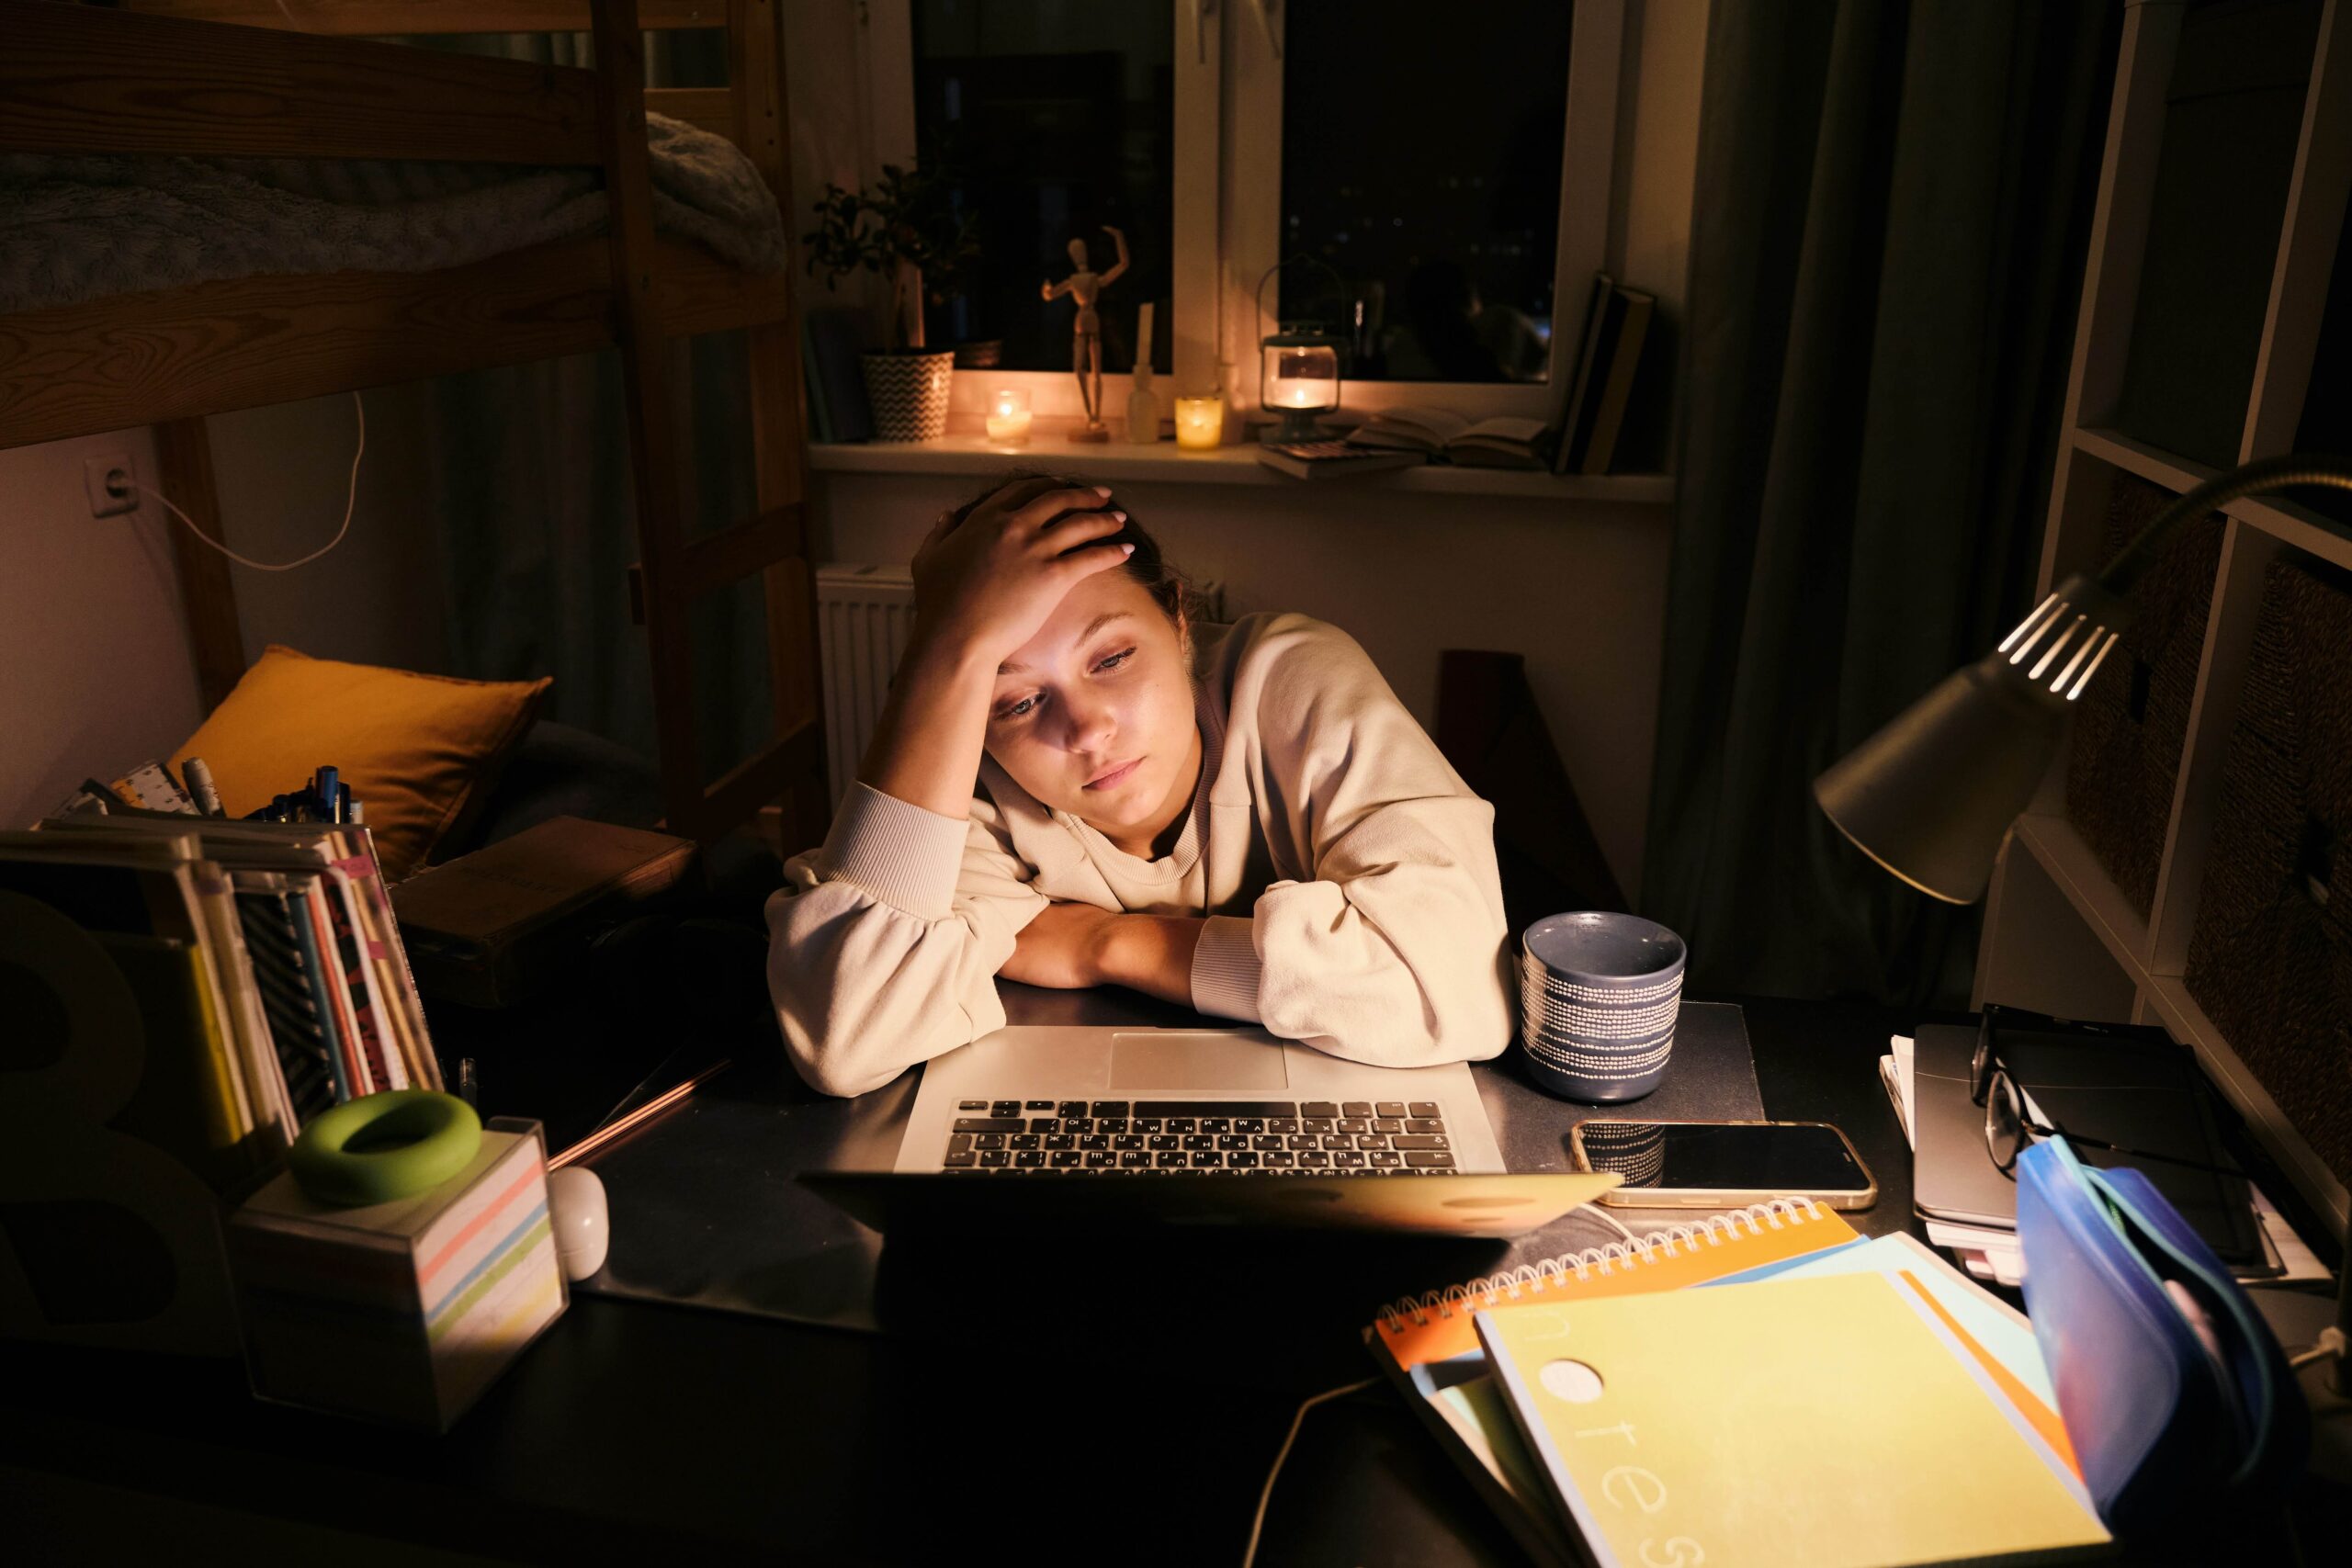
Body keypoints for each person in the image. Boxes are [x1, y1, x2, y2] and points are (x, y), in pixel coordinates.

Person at [766, 474, 1512, 1098]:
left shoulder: (1289, 677)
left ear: (1181, 619)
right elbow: (850, 1036)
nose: (1087, 729)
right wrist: (947, 644)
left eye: (1111, 658)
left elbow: (1461, 988)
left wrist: (1108, 943)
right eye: (1018, 701)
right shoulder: (976, 783)